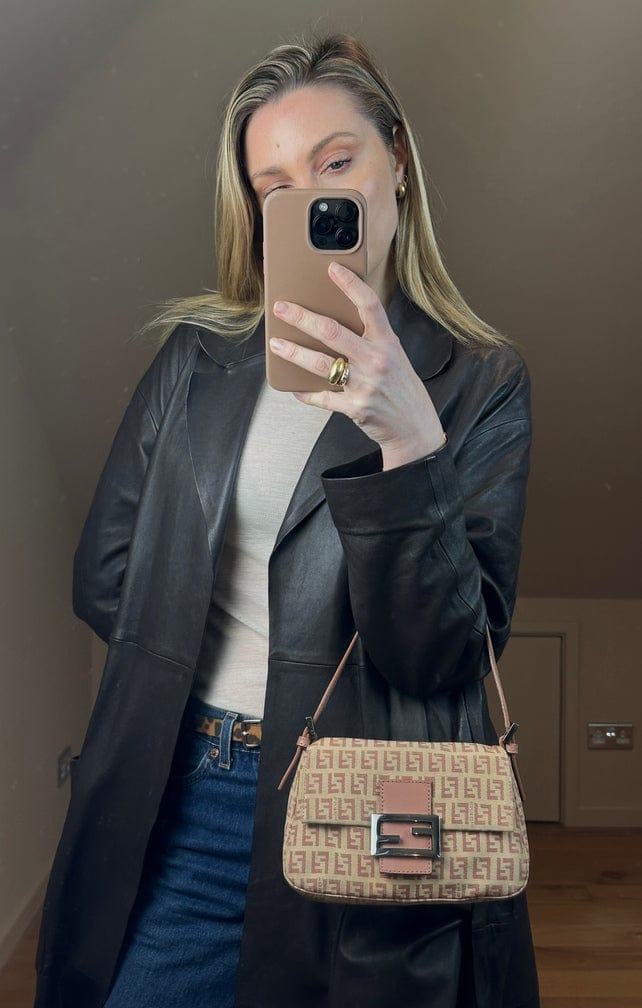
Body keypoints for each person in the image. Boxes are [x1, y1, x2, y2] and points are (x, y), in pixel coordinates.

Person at [35, 32, 540, 1008]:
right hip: (184, 794)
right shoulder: (199, 357)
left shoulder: (479, 383)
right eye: (274, 187)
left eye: (335, 163)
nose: (310, 200)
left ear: (398, 158)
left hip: (363, 810)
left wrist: (409, 444)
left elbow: (444, 658)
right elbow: (106, 576)